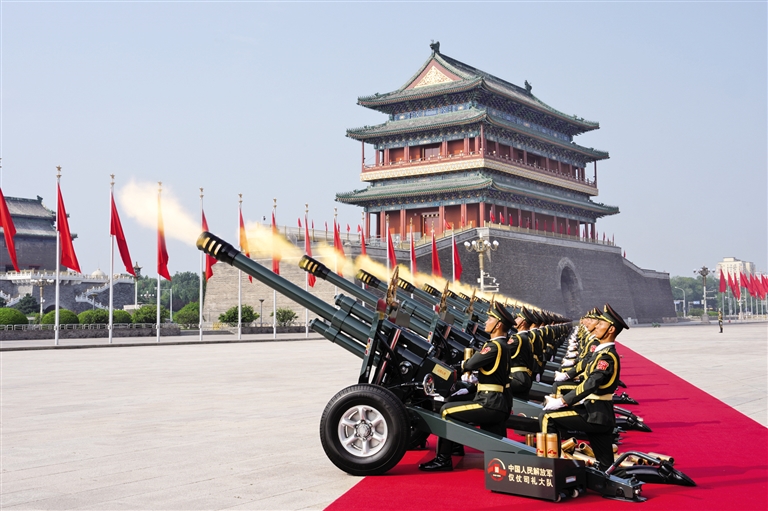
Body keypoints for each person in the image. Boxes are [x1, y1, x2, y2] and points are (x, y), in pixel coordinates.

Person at [419, 302, 513, 472]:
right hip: (497, 401)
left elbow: (469, 364)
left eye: (490, 319)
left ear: (498, 325)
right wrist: (469, 387)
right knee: (455, 400)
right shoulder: (503, 346)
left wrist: (444, 368)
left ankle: (443, 460)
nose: (486, 322)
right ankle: (455, 447)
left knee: (446, 410)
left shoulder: (493, 346)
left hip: (489, 403)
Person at [538, 304, 628, 471]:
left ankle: (551, 469)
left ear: (610, 330)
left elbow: (590, 383)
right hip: (598, 413)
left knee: (547, 417)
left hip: (595, 414)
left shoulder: (606, 357)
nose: (596, 327)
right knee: (606, 467)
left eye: (601, 324)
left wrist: (563, 401)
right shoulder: (602, 353)